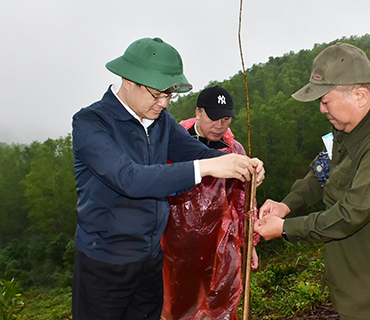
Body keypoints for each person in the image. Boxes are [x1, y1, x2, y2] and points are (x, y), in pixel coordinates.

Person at [71, 37, 265, 320]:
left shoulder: (160, 121)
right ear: (128, 80)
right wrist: (206, 168)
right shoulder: (91, 123)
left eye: (168, 96)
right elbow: (129, 178)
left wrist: (239, 164)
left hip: (150, 261)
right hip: (106, 262)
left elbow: (193, 151)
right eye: (155, 94)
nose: (163, 103)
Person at [254, 43, 370, 320]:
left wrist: (285, 228)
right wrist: (286, 206)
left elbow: (348, 215)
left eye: (326, 101)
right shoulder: (349, 127)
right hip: (355, 279)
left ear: (359, 95)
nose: (322, 110)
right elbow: (323, 173)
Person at [161, 86, 260, 320]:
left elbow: (243, 201)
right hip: (177, 245)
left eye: (225, 119)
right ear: (198, 112)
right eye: (213, 118)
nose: (219, 125)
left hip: (219, 244)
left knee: (222, 304)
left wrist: (250, 242)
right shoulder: (173, 143)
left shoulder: (234, 150)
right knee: (178, 306)